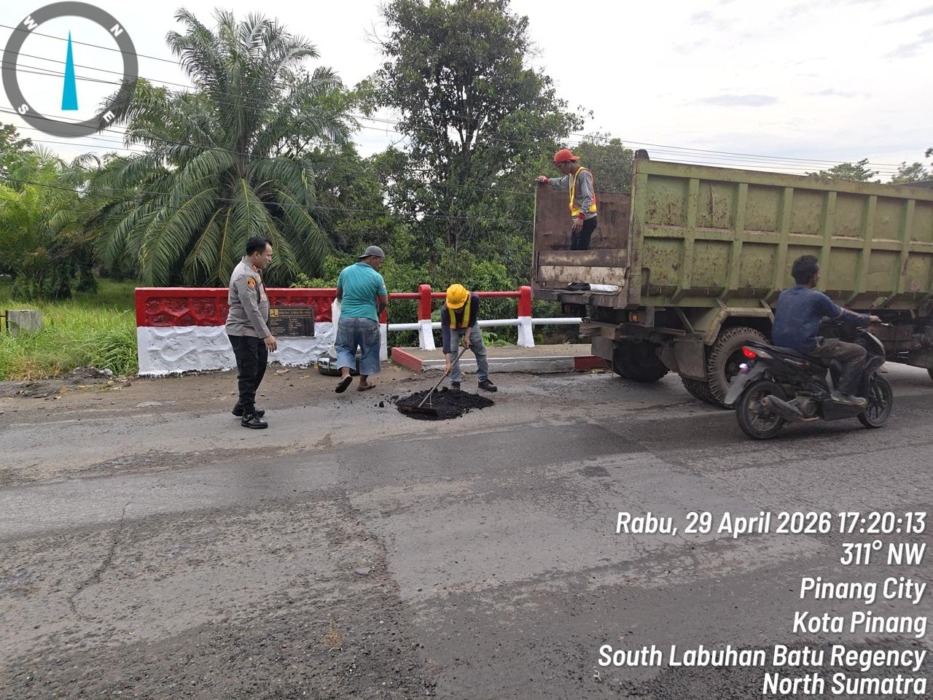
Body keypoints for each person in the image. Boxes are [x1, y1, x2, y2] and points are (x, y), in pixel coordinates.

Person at [772, 255, 880, 407]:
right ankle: (843, 394)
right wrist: (867, 319)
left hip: (781, 346)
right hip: (807, 347)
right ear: (812, 276)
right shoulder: (816, 297)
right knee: (858, 352)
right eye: (818, 273)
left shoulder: (784, 294)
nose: (820, 276)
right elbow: (842, 314)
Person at [226, 236, 277, 429]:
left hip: (254, 330)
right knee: (248, 372)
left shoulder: (254, 271)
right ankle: (247, 414)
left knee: (260, 366)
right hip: (243, 330)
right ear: (256, 254)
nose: (269, 259)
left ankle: (243, 404)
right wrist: (266, 334)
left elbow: (261, 302)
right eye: (268, 255)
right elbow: (251, 309)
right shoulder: (244, 275)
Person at [334, 245, 388, 393]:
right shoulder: (376, 277)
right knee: (369, 349)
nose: (380, 264)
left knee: (344, 348)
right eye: (379, 261)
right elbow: (384, 301)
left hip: (346, 318)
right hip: (368, 319)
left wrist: (346, 305)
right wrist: (377, 313)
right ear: (372, 258)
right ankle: (363, 382)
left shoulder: (345, 272)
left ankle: (345, 375)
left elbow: (338, 294)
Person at [535, 148, 598, 250]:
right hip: (579, 219)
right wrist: (546, 180)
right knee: (574, 248)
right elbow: (560, 182)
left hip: (587, 219)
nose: (560, 170)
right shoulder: (571, 176)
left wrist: (581, 217)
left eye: (560, 167)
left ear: (568, 162)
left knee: (580, 250)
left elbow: (588, 197)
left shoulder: (583, 174)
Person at [441, 284, 497, 393]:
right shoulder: (445, 310)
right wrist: (447, 362)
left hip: (470, 326)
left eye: (459, 307)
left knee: (480, 350)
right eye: (454, 307)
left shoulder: (474, 299)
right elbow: (446, 335)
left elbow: (472, 319)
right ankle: (455, 382)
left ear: (465, 299)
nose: (457, 310)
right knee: (452, 352)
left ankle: (483, 380)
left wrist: (467, 336)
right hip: (453, 328)